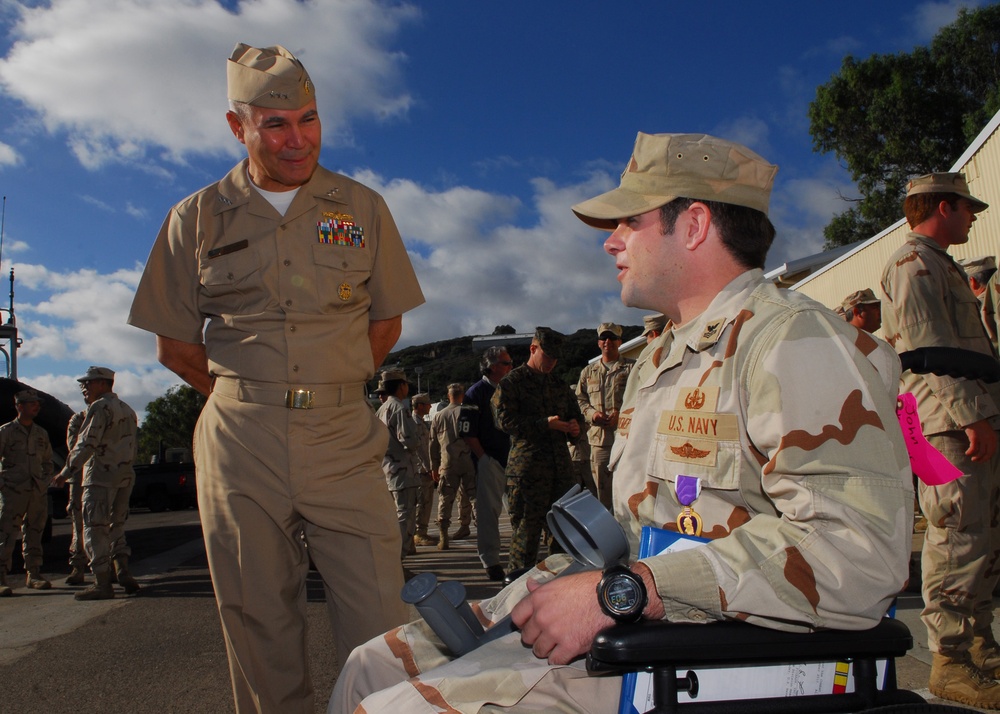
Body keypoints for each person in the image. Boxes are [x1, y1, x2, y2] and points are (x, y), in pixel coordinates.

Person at [331, 132, 912, 713]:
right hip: (639, 627)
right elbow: (638, 535)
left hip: (706, 654)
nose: (611, 241)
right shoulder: (659, 360)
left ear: (694, 226)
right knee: (367, 665)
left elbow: (860, 551)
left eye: (631, 221)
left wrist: (628, 592)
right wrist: (544, 589)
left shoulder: (794, 342)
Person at [126, 42, 422, 713]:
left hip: (343, 437)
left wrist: (327, 387)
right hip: (240, 443)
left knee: (382, 622)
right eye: (277, 124)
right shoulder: (195, 218)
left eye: (309, 120)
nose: (298, 140)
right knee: (259, 625)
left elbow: (385, 324)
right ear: (239, 127)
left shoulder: (363, 207)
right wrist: (252, 399)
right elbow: (174, 347)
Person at [881, 172, 1000, 708]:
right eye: (967, 207)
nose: (973, 216)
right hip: (943, 424)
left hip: (962, 420)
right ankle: (949, 662)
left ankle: (978, 645)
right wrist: (973, 416)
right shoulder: (913, 264)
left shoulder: (939, 262)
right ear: (943, 207)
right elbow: (929, 348)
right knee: (956, 535)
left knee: (982, 536)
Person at [492, 326, 582, 572]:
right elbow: (503, 421)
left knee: (563, 535)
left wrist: (575, 428)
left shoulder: (559, 385)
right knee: (526, 535)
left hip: (560, 472)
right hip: (528, 472)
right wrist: (544, 424)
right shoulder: (512, 383)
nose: (551, 362)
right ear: (533, 349)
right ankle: (517, 588)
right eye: (547, 356)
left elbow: (576, 416)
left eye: (555, 358)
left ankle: (560, 586)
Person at [53, 367, 139, 601]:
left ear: (103, 383)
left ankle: (102, 583)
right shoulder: (127, 409)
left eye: (89, 383)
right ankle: (123, 570)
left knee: (94, 528)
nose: (85, 387)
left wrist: (65, 472)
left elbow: (87, 444)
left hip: (100, 476)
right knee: (117, 525)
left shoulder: (99, 408)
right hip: (124, 476)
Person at [462, 346, 513, 581]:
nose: (511, 367)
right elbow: (467, 431)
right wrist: (483, 458)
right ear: (492, 367)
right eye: (506, 363)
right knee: (488, 513)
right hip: (490, 459)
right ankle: (491, 561)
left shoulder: (510, 388)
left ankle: (520, 557)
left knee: (518, 510)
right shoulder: (475, 393)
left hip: (513, 458)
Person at [0, 390, 54, 595]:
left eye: (38, 403)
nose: (37, 406)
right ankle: (1, 577)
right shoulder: (6, 431)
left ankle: (34, 574)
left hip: (36, 492)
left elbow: (48, 462)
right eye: (32, 403)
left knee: (35, 533)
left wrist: (44, 481)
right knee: (5, 534)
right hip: (12, 491)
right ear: (19, 406)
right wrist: (3, 484)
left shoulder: (41, 433)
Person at [576, 322, 634, 508]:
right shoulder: (588, 372)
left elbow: (642, 398)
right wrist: (592, 415)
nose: (607, 341)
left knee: (628, 487)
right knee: (602, 492)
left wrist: (622, 415)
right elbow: (580, 400)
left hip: (626, 439)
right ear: (599, 343)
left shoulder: (632, 369)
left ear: (619, 341)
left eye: (612, 338)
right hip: (599, 442)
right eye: (603, 338)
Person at [376, 370, 421, 559]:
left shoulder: (381, 409)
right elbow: (410, 440)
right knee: (405, 516)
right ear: (401, 386)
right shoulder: (399, 408)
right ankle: (397, 560)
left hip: (387, 469)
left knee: (393, 516)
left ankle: (396, 555)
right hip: (403, 471)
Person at [429, 383, 476, 550]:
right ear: (462, 395)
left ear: (449, 396)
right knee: (474, 497)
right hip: (468, 461)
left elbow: (433, 444)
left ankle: (444, 537)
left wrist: (434, 466)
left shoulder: (439, 416)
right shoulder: (469, 412)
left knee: (445, 498)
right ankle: (479, 530)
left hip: (448, 463)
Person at [409, 392, 439, 547]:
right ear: (420, 406)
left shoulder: (420, 422)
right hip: (421, 471)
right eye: (427, 404)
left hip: (424, 469)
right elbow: (419, 449)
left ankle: (422, 531)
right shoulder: (414, 423)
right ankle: (419, 533)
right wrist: (429, 468)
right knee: (422, 502)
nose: (430, 407)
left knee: (426, 502)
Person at [64, 404, 89, 585]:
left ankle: (109, 566)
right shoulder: (78, 419)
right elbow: (74, 447)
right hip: (79, 477)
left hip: (102, 475)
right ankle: (78, 566)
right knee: (78, 524)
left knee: (105, 523)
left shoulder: (111, 415)